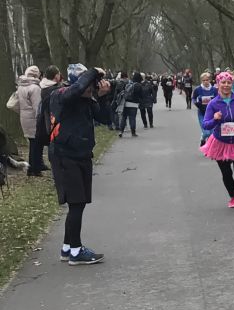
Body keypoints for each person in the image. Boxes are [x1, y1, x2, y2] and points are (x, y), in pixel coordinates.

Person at [48, 65, 111, 265]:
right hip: (64, 156)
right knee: (76, 203)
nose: (91, 88)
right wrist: (93, 72)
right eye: (89, 84)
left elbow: (105, 118)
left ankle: (67, 248)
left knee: (79, 203)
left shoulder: (87, 100)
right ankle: (76, 252)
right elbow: (74, 91)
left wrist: (102, 97)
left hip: (81, 155)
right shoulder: (60, 94)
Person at [200, 72, 234, 208]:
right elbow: (205, 124)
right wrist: (214, 119)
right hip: (220, 143)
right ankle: (233, 197)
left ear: (232, 84)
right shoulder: (213, 103)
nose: (226, 85)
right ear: (218, 84)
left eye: (229, 82)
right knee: (226, 172)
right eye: (223, 82)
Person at [12, 66, 44, 176]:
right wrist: (41, 120)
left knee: (33, 143)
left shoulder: (21, 87)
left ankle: (32, 168)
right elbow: (37, 107)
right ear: (36, 75)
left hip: (24, 118)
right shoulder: (35, 88)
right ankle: (35, 169)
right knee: (36, 144)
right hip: (33, 119)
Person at [194, 72, 217, 144]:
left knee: (212, 133)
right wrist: (197, 103)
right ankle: (203, 138)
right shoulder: (198, 89)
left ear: (210, 80)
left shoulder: (214, 89)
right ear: (201, 81)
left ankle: (208, 147)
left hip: (212, 114)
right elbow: (194, 98)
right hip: (202, 112)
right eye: (203, 80)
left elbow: (218, 99)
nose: (205, 82)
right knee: (206, 133)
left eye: (207, 80)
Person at [118, 73, 142, 137]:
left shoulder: (128, 84)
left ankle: (121, 131)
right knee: (132, 118)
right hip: (134, 104)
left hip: (126, 103)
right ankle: (133, 132)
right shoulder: (139, 85)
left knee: (124, 118)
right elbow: (141, 95)